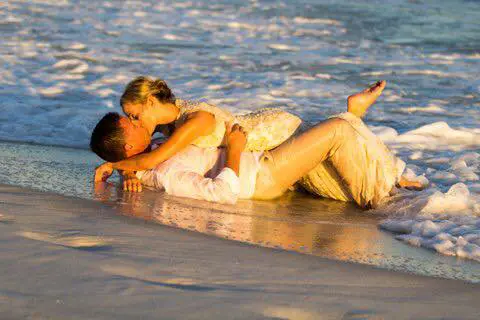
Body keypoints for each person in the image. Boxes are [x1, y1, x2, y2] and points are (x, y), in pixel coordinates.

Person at [90, 82, 424, 208]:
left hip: (276, 136)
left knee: (341, 147)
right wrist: (123, 170)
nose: (133, 120)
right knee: (340, 148)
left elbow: (153, 158)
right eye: (129, 120)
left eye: (133, 115)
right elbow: (150, 160)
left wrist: (118, 167)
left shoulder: (190, 124)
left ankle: (388, 183)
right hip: (262, 161)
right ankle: (385, 193)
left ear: (150, 102)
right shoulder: (164, 140)